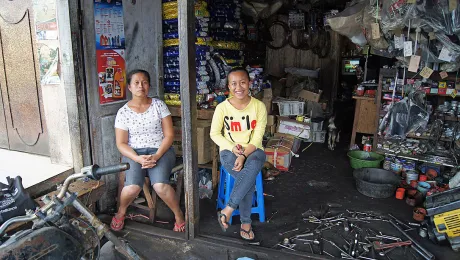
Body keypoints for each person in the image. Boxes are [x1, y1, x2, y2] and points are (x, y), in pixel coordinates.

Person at [111, 69, 185, 232]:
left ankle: (178, 215)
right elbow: (121, 143)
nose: (141, 86)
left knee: (160, 186)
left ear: (149, 85)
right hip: (134, 153)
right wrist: (138, 159)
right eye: (136, 83)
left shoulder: (159, 105)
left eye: (144, 82)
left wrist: (157, 155)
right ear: (129, 87)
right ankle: (121, 212)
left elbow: (169, 135)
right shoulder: (123, 112)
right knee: (132, 187)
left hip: (161, 150)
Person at [210, 67, 267, 241]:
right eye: (234, 83)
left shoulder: (259, 106)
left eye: (243, 82)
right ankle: (246, 222)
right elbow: (214, 134)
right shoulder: (222, 108)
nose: (239, 87)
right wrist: (232, 148)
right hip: (229, 152)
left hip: (254, 152)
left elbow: (257, 139)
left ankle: (228, 210)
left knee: (251, 167)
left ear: (249, 83)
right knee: (247, 179)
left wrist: (243, 155)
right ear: (228, 86)